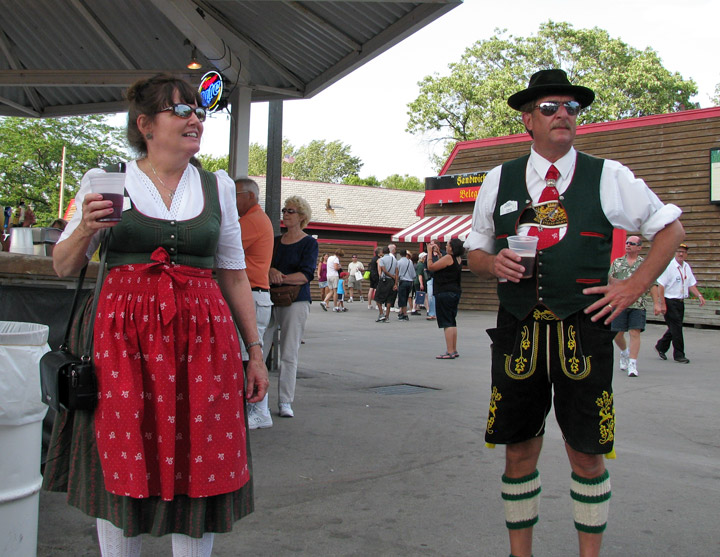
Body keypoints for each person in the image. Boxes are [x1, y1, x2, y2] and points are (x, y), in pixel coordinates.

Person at [43, 73, 269, 556]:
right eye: (181, 109)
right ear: (145, 124)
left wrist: (254, 351)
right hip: (120, 341)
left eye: (198, 111)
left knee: (202, 454)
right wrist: (84, 228)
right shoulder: (106, 180)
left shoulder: (219, 187)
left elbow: (232, 275)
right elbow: (64, 265)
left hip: (204, 342)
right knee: (122, 455)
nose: (194, 118)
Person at [464, 69, 684, 557]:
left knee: (586, 455)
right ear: (528, 120)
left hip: (583, 333)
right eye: (550, 107)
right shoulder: (499, 179)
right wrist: (489, 261)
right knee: (518, 449)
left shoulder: (609, 176)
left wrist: (634, 286)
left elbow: (670, 229)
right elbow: (474, 251)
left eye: (571, 107)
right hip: (517, 331)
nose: (563, 113)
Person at [262, 196, 319, 418]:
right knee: (259, 348)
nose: (285, 214)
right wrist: (269, 272)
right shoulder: (275, 241)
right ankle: (257, 400)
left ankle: (285, 401)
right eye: (285, 210)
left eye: (291, 211)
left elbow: (306, 275)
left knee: (288, 352)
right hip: (269, 298)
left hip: (296, 300)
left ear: (302, 216)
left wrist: (279, 276)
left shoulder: (309, 243)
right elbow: (263, 264)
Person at [235, 177, 275, 429]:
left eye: (234, 194)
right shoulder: (255, 219)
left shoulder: (251, 221)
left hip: (251, 295)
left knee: (249, 357)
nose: (230, 199)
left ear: (250, 196)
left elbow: (223, 246)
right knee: (247, 355)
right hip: (252, 294)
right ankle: (255, 408)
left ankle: (259, 410)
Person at [609, 236, 664, 377]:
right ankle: (624, 352)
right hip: (619, 303)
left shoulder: (644, 264)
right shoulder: (617, 263)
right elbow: (610, 282)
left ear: (639, 247)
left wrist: (657, 304)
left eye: (632, 243)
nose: (628, 245)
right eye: (627, 243)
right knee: (617, 333)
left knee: (635, 332)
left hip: (638, 304)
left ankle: (632, 364)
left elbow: (652, 284)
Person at [655, 243, 705, 364]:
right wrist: (662, 304)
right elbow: (660, 286)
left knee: (674, 327)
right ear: (674, 252)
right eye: (679, 251)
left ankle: (661, 346)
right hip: (670, 301)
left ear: (686, 254)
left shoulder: (686, 266)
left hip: (680, 302)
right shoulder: (669, 266)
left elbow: (691, 283)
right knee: (677, 328)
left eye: (683, 252)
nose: (681, 254)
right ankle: (679, 354)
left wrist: (699, 295)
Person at [427, 239, 464, 358]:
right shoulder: (457, 259)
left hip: (444, 291)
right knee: (451, 321)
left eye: (447, 245)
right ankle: (453, 349)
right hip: (454, 291)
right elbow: (447, 265)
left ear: (451, 248)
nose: (446, 246)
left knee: (446, 322)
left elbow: (431, 266)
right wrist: (439, 253)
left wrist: (429, 253)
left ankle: (450, 351)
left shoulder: (449, 258)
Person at [374, 245, 398, 323]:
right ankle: (387, 316)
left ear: (383, 252)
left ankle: (381, 314)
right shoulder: (394, 260)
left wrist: (391, 276)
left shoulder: (381, 259)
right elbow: (397, 272)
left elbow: (384, 270)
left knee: (378, 298)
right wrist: (395, 282)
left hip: (384, 280)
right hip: (392, 281)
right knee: (389, 299)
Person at [396, 249, 416, 321]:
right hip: (410, 282)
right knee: (407, 296)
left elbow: (397, 273)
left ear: (400, 255)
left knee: (402, 298)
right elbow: (413, 274)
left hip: (402, 281)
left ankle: (404, 314)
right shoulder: (410, 262)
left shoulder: (398, 262)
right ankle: (402, 312)